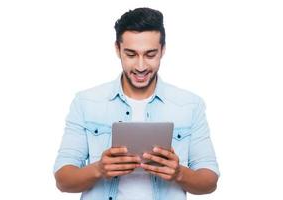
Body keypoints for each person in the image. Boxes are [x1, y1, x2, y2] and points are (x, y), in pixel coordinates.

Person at [54, 7, 220, 200]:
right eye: (131, 54)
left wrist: (180, 173)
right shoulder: (86, 102)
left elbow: (210, 181)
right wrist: (98, 169)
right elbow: (62, 180)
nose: (141, 66)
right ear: (118, 49)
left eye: (150, 55)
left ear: (163, 50)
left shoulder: (190, 105)